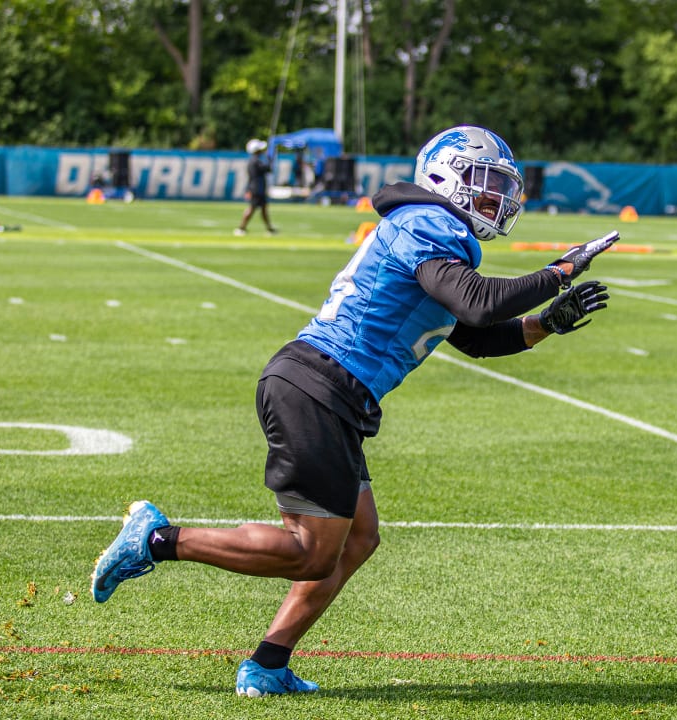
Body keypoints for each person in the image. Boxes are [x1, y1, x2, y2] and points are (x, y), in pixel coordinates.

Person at [90, 125, 618, 697]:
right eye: (485, 182)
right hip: (321, 386)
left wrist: (547, 322)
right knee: (309, 554)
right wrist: (562, 268)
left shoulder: (434, 229)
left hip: (329, 392)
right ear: (446, 177)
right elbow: (479, 302)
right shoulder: (428, 223)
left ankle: (268, 664)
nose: (497, 197)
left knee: (358, 538)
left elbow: (473, 334)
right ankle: (157, 539)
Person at [236, 138, 278, 236]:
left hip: (258, 188)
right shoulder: (256, 161)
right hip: (257, 189)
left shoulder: (254, 161)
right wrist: (270, 159)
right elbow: (268, 169)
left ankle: (269, 228)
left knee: (263, 209)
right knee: (252, 208)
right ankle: (241, 228)